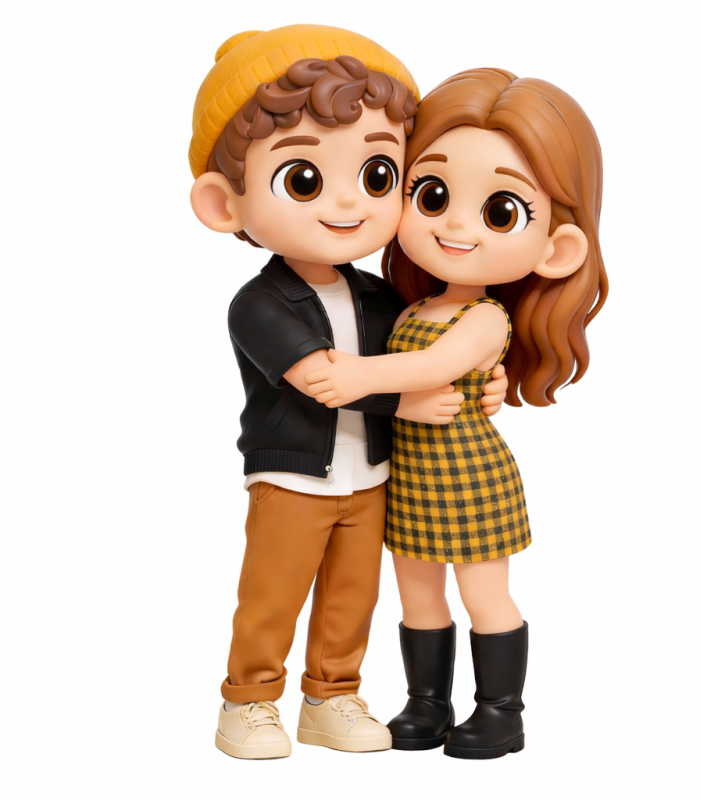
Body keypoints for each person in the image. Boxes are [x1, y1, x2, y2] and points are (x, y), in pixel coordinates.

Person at [188, 28, 508, 759]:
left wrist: (484, 380)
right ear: (223, 204)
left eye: (376, 174)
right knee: (273, 594)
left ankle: (331, 695)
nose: (346, 202)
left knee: (352, 596)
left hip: (373, 477)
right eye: (304, 179)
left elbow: (424, 357)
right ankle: (249, 701)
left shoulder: (380, 295)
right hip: (295, 475)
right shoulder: (258, 304)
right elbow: (325, 379)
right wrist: (407, 403)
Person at [306, 67, 607, 759]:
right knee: (417, 595)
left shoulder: (486, 317)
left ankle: (500, 712)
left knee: (484, 595)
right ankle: (427, 702)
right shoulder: (413, 305)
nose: (456, 225)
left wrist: (357, 376)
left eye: (499, 211)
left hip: (470, 476)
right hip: (410, 477)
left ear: (556, 249)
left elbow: (434, 367)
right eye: (433, 194)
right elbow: (416, 376)